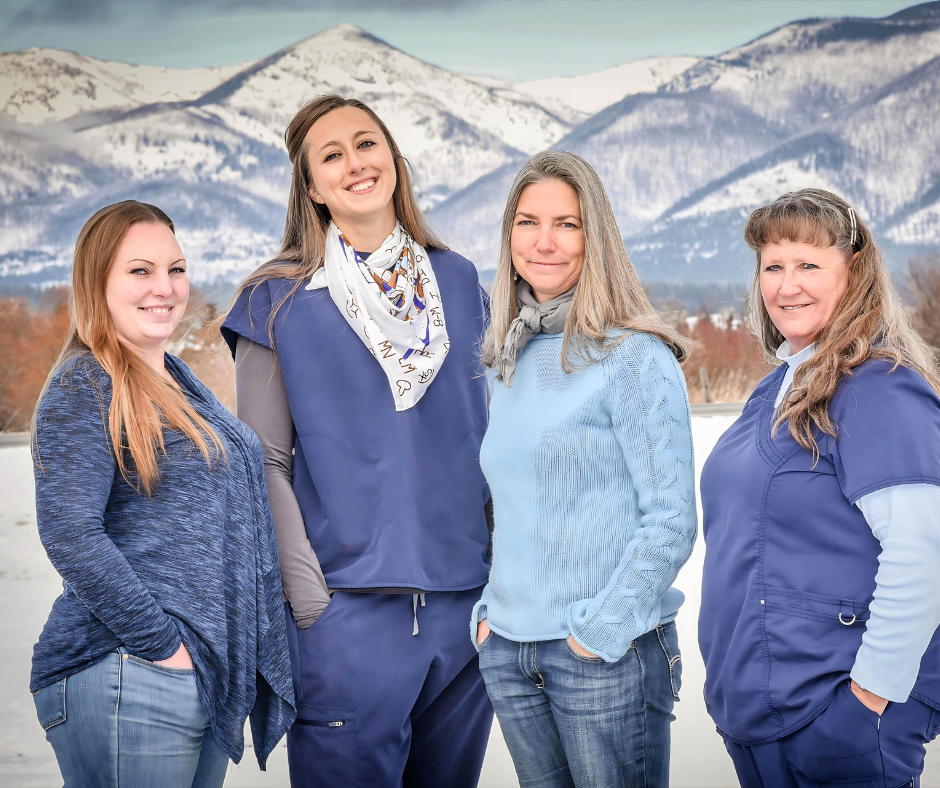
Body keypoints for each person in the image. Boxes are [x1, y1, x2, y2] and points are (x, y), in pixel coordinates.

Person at [221, 94, 494, 788]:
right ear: (311, 186)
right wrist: (313, 605)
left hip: (465, 611)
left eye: (366, 144)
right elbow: (263, 465)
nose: (355, 164)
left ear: (393, 160)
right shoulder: (275, 300)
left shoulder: (459, 282)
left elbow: (485, 436)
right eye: (331, 155)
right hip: (350, 616)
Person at [29, 201, 295, 788]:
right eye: (140, 270)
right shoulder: (86, 381)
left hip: (189, 674)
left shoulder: (176, 379)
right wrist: (164, 647)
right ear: (97, 282)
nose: (165, 288)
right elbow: (70, 532)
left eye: (176, 269)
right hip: (127, 669)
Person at [699, 188, 940, 787]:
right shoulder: (782, 382)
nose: (787, 285)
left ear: (854, 271)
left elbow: (923, 551)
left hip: (833, 723)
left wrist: (868, 702)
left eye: (809, 264)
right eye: (772, 267)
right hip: (762, 718)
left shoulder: (878, 387)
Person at [471, 150, 697, 788]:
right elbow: (512, 505)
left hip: (604, 658)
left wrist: (599, 632)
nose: (544, 241)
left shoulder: (633, 357)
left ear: (595, 237)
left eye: (566, 224)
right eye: (527, 221)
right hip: (511, 656)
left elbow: (670, 522)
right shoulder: (506, 359)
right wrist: (492, 614)